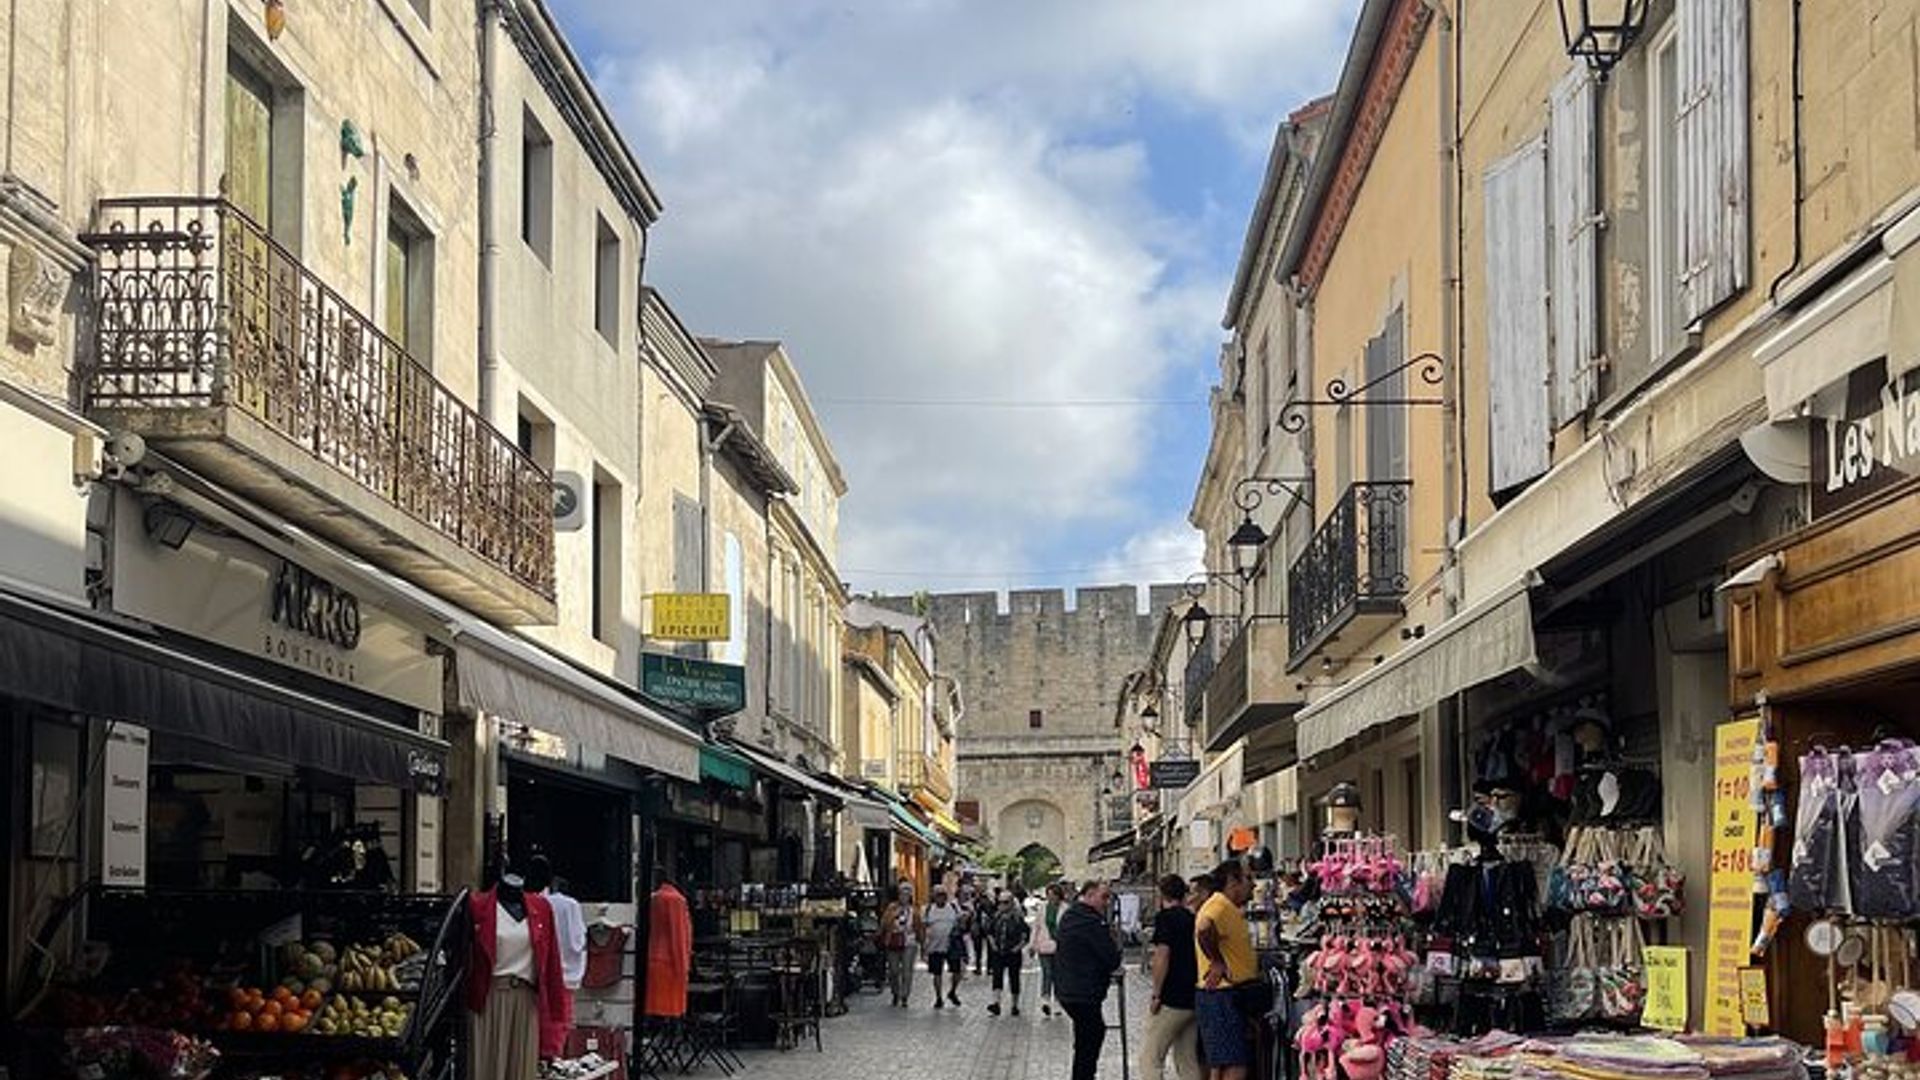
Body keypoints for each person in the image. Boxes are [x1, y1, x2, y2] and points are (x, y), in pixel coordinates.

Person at [1195, 861, 1257, 1080]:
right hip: (1222, 995)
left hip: (1221, 995)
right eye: (1248, 878)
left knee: (1220, 1065)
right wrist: (1217, 961)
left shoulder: (1226, 907)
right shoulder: (1219, 905)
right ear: (1232, 881)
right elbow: (1204, 928)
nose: (1253, 884)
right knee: (1235, 1065)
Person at [1054, 880, 1123, 1080]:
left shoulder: (1070, 915)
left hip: (1067, 989)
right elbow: (1111, 958)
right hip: (1083, 991)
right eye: (1104, 897)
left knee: (1086, 1035)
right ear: (1090, 894)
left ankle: (1082, 1074)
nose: (1106, 902)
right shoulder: (1091, 921)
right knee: (1092, 1035)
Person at [1140, 875, 1201, 1080]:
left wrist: (1157, 993)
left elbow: (1162, 956)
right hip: (1193, 995)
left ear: (1162, 895)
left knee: (1150, 1057)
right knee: (1187, 1058)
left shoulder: (1165, 918)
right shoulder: (1193, 918)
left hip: (1172, 996)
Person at [987, 887, 1031, 1016]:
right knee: (997, 977)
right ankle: (996, 1003)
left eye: (1005, 902)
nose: (1002, 905)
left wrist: (1018, 947)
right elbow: (989, 931)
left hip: (1012, 953)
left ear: (1011, 903)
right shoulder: (996, 917)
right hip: (998, 952)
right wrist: (993, 944)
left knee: (1014, 978)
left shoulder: (1017, 918)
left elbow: (1026, 935)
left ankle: (1014, 1005)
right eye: (1000, 902)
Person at [880, 881, 923, 1007]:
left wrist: (922, 943)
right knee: (893, 970)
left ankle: (905, 996)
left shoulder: (914, 910)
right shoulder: (892, 908)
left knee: (906, 971)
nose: (904, 897)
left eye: (907, 894)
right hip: (893, 940)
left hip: (909, 942)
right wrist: (894, 915)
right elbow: (884, 924)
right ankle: (895, 992)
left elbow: (919, 927)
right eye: (902, 894)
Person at [922, 885, 964, 1008]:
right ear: (934, 896)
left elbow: (961, 921)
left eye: (943, 895)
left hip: (952, 945)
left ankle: (952, 991)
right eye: (938, 895)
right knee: (937, 973)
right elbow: (924, 927)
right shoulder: (928, 909)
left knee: (957, 971)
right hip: (935, 946)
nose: (941, 897)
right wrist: (924, 946)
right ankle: (938, 997)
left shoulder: (953, 907)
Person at [1030, 882, 1064, 1017]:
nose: (1050, 898)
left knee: (1058, 975)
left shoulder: (1065, 909)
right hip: (1043, 945)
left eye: (1053, 895)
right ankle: (1045, 1000)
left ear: (1058, 895)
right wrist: (1032, 945)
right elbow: (1036, 927)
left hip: (1060, 947)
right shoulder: (1042, 908)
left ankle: (1058, 1002)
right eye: (1048, 895)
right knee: (1047, 973)